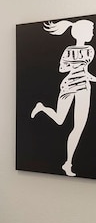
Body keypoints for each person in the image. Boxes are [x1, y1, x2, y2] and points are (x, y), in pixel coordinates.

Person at [31, 19, 96, 176]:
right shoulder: (68, 50)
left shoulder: (89, 50)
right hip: (67, 86)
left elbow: (86, 72)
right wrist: (73, 65)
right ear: (83, 32)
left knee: (78, 127)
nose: (93, 33)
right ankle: (42, 107)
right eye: (91, 30)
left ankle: (68, 163)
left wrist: (92, 77)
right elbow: (61, 68)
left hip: (84, 88)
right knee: (60, 120)